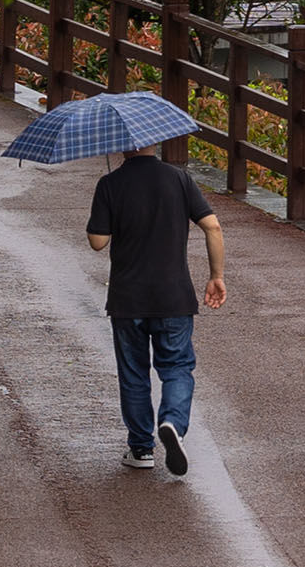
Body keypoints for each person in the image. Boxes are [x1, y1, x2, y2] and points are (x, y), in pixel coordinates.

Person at [86, 136, 226, 475]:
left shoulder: (110, 183)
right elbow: (212, 225)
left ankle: (140, 448)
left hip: (127, 300)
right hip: (174, 297)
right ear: (155, 140)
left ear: (121, 145)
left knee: (134, 374)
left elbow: (97, 242)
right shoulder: (178, 178)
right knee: (177, 367)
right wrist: (216, 275)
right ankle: (173, 423)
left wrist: (114, 214)